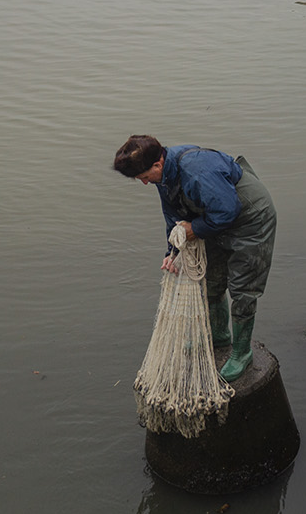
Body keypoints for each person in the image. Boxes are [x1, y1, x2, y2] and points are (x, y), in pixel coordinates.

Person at [114, 134, 278, 383]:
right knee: (211, 279)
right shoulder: (164, 176)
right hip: (213, 219)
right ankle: (219, 335)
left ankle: (242, 353)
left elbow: (227, 210)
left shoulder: (196, 170)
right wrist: (173, 251)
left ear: (157, 164)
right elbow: (173, 216)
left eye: (145, 178)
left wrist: (195, 229)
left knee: (243, 289)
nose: (145, 184)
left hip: (249, 219)